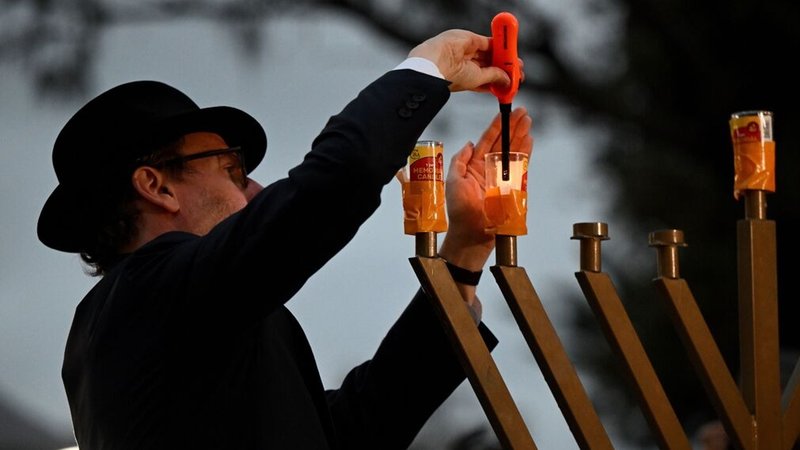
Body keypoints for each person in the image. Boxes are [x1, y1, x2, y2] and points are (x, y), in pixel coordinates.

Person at [37, 28, 533, 449]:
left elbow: (352, 430)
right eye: (231, 170)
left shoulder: (178, 316)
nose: (255, 189)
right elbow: (331, 185)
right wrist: (427, 69)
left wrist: (463, 255)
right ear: (157, 186)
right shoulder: (151, 293)